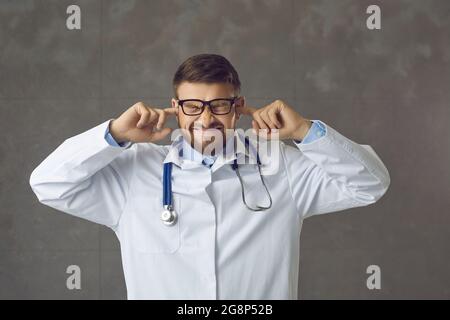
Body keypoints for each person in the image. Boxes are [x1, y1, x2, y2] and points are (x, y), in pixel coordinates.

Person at [29, 53, 390, 299]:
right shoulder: (135, 172)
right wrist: (114, 135)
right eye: (192, 106)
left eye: (218, 105)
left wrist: (304, 131)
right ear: (176, 109)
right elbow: (49, 184)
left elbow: (370, 184)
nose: (205, 120)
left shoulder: (280, 164)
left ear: (238, 107)